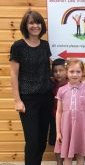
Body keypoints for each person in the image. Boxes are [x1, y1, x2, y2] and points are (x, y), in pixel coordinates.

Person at [9, 9, 54, 165]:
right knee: (32, 140)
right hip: (28, 100)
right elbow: (14, 75)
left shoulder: (45, 45)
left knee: (42, 140)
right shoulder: (18, 46)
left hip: (46, 98)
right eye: (32, 23)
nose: (36, 26)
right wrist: (17, 101)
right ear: (25, 25)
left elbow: (48, 69)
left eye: (38, 22)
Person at [54, 58, 85, 165]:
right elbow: (59, 112)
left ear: (82, 73)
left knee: (81, 156)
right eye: (71, 71)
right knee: (67, 156)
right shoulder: (61, 90)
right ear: (66, 72)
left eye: (78, 71)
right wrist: (58, 132)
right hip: (66, 128)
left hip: (82, 128)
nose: (75, 74)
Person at [49, 58, 67, 165]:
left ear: (66, 70)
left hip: (68, 119)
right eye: (55, 71)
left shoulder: (71, 84)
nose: (58, 73)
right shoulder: (51, 84)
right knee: (57, 142)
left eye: (61, 70)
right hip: (55, 118)